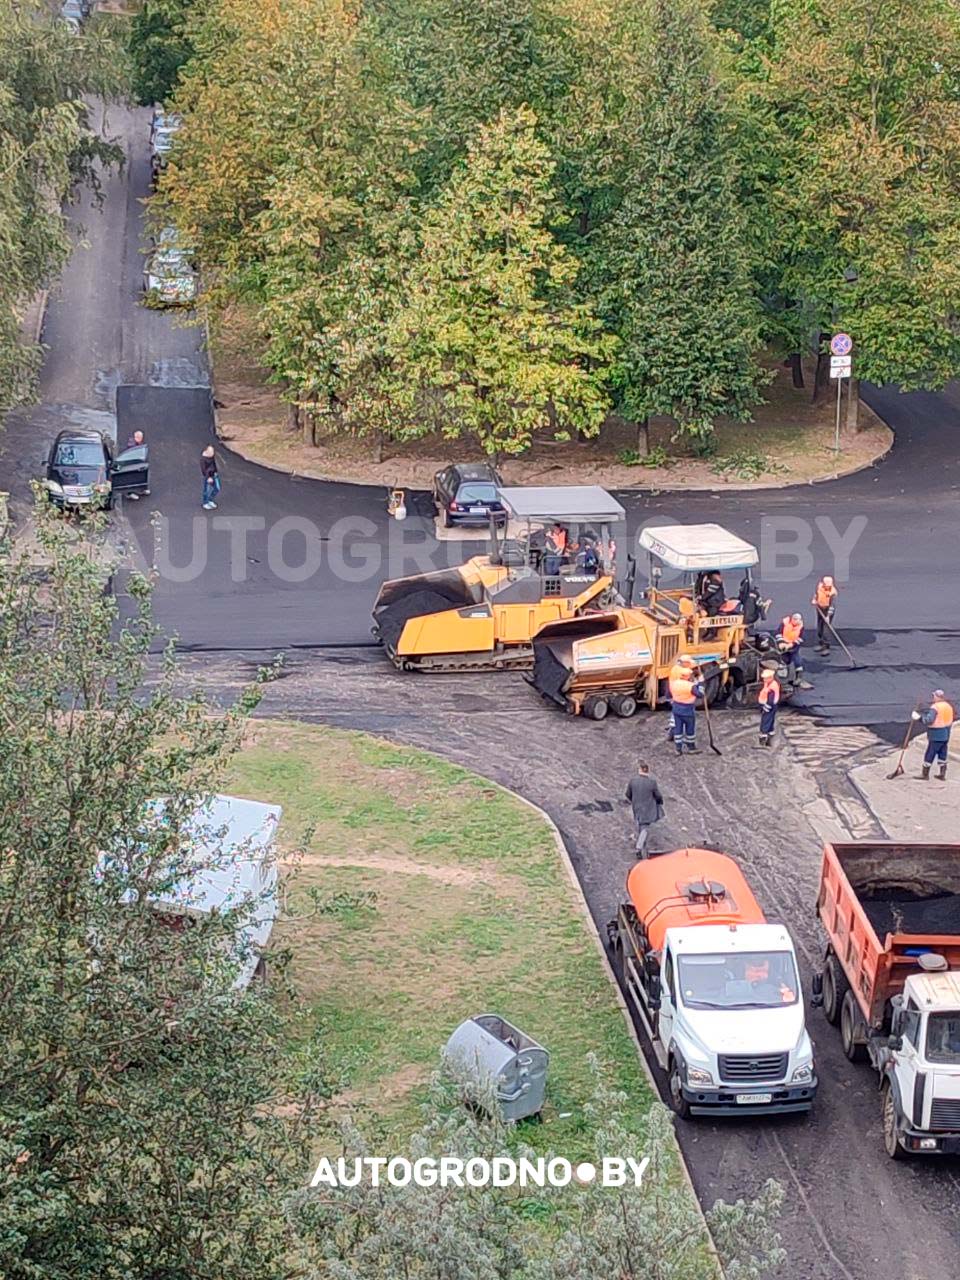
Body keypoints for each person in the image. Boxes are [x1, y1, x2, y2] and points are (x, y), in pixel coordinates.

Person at [912, 689, 954, 781]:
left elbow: (929, 720)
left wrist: (918, 718)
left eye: (934, 696)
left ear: (938, 697)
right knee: (942, 753)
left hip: (936, 735)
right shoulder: (948, 706)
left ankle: (925, 774)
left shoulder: (935, 707)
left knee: (930, 753)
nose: (933, 697)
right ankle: (942, 774)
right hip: (946, 734)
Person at [626, 761, 664, 858]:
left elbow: (628, 794)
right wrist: (659, 801)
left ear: (639, 770)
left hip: (637, 807)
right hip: (648, 808)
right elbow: (658, 795)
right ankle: (639, 847)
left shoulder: (633, 781)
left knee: (641, 825)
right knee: (645, 828)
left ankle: (642, 844)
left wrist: (634, 800)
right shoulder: (651, 782)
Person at [669, 656, 703, 756]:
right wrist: (701, 682)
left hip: (676, 709)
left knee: (678, 730)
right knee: (690, 730)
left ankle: (678, 749)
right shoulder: (689, 686)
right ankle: (691, 747)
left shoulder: (675, 683)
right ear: (687, 677)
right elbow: (700, 694)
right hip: (687, 711)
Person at [812, 575, 838, 655]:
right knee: (819, 627)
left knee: (826, 628)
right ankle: (821, 643)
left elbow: (832, 606)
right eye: (826, 585)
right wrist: (814, 600)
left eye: (829, 586)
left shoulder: (833, 592)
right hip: (820, 608)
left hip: (828, 610)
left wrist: (828, 616)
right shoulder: (820, 587)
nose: (827, 587)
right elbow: (816, 594)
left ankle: (826, 646)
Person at [777, 612, 805, 687]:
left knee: (797, 660)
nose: (795, 621)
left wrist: (791, 645)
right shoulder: (784, 623)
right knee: (784, 659)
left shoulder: (801, 627)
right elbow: (778, 633)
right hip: (783, 644)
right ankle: (783, 677)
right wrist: (781, 642)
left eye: (797, 620)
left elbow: (800, 639)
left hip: (794, 646)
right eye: (794, 619)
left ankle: (799, 677)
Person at [756, 667, 781, 748]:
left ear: (770, 677)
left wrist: (766, 707)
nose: (764, 680)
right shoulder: (770, 683)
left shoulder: (772, 687)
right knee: (770, 718)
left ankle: (764, 735)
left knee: (766, 719)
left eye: (765, 678)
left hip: (769, 706)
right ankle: (770, 731)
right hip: (770, 705)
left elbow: (771, 700)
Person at [122, 429, 149, 499]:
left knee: (140, 476)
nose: (141, 439)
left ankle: (141, 489)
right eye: (140, 437)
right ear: (136, 437)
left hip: (138, 463)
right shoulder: (132, 445)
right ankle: (130, 493)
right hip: (132, 465)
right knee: (131, 478)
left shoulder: (138, 443)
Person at [201, 445, 220, 510]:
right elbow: (204, 470)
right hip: (208, 477)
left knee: (217, 488)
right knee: (206, 490)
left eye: (213, 451)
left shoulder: (212, 457)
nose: (212, 453)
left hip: (214, 475)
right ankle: (205, 503)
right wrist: (208, 477)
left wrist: (216, 472)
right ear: (206, 451)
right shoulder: (203, 459)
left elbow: (214, 464)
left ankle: (210, 500)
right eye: (210, 452)